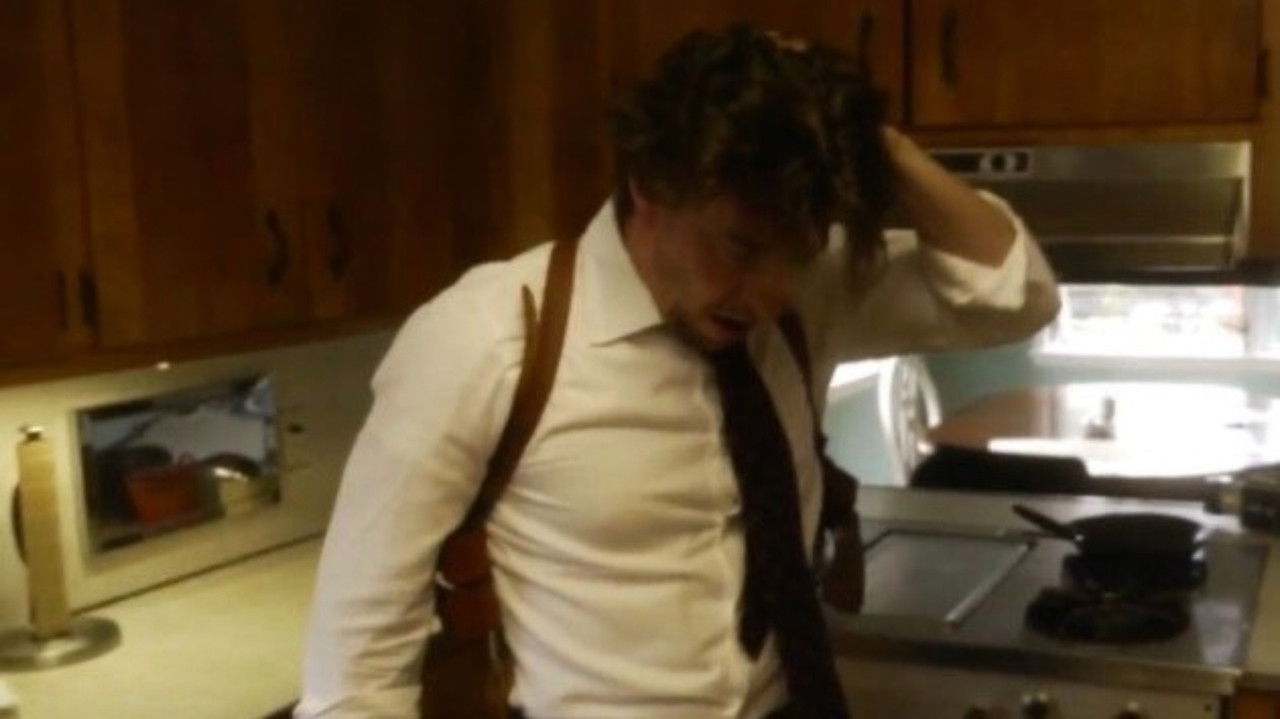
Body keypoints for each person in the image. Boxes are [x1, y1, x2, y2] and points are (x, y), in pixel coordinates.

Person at [295, 24, 1059, 719]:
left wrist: (874, 141)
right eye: (740, 247)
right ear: (650, 184)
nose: (769, 294)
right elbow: (358, 661)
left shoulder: (803, 301)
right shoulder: (489, 337)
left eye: (796, 253)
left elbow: (1013, 296)